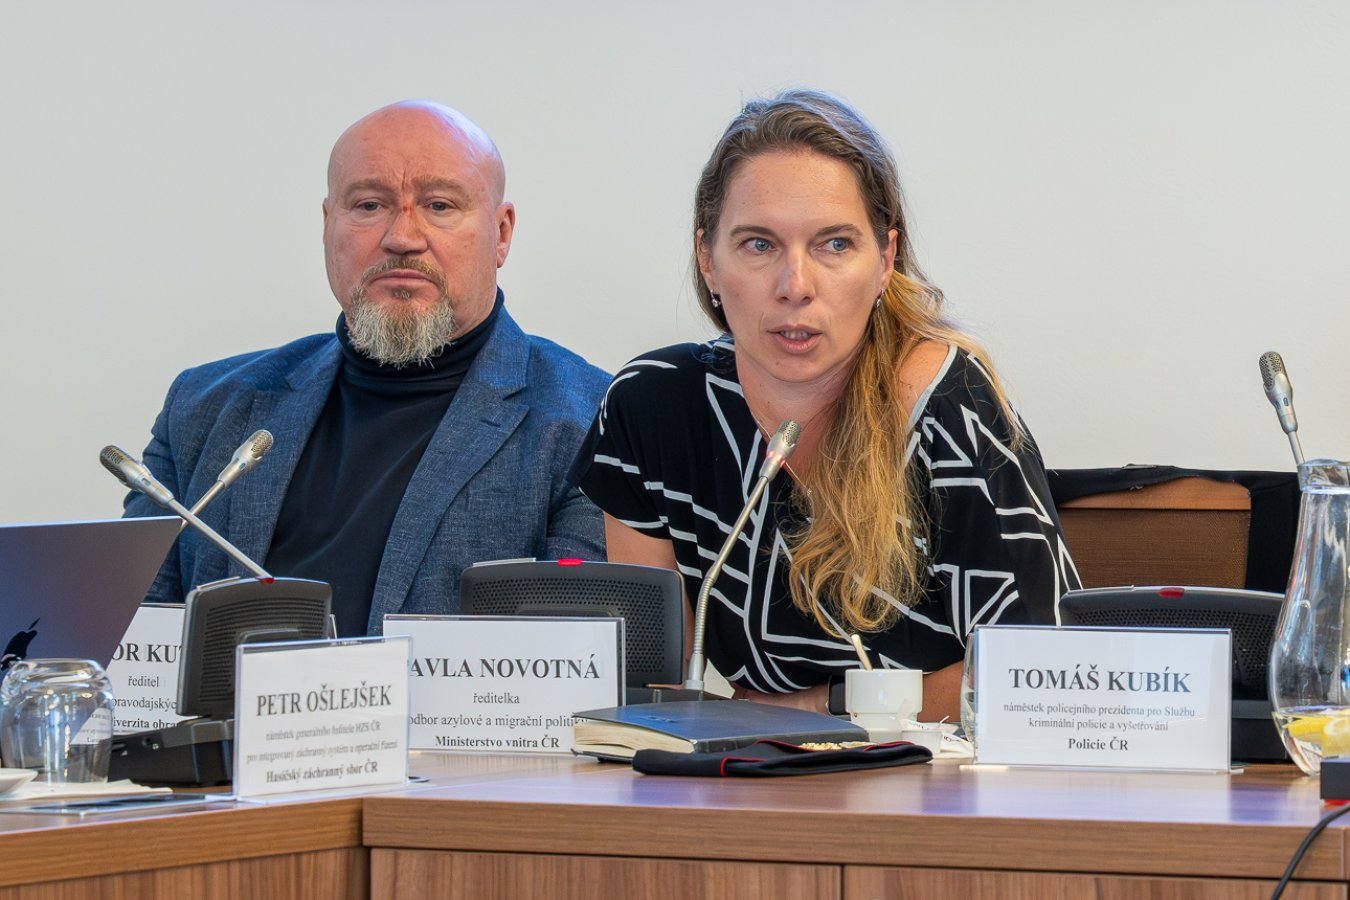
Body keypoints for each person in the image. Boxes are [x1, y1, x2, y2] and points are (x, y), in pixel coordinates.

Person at [571, 89, 1079, 722]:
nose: (796, 286)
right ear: (708, 260)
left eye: (834, 244)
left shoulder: (951, 407)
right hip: (752, 768)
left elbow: (1041, 670)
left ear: (885, 259)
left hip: (935, 772)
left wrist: (821, 705)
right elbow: (650, 684)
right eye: (759, 245)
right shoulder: (652, 410)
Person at [124, 100, 609, 636]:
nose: (402, 237)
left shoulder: (593, 421)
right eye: (370, 205)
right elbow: (132, 651)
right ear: (328, 225)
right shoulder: (203, 409)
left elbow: (571, 658)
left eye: (440, 205)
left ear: (501, 233)